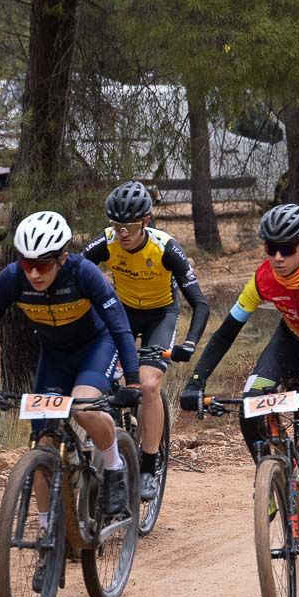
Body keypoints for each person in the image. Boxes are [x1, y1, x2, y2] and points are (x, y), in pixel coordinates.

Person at [179, 204, 299, 597]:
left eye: (286, 248)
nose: (277, 258)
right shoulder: (264, 278)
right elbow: (226, 332)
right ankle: (270, 476)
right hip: (292, 345)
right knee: (252, 401)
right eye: (270, 248)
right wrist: (196, 382)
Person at [0, 211, 142, 516]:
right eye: (27, 264)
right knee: (41, 443)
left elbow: (119, 327)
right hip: (54, 356)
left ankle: (114, 468)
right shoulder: (11, 278)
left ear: (62, 258)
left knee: (83, 408)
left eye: (43, 264)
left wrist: (133, 381)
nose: (34, 274)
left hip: (96, 347)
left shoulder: (83, 273)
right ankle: (48, 532)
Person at [83, 181, 209, 500]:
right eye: (115, 225)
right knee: (99, 376)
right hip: (122, 312)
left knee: (149, 385)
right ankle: (108, 440)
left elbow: (200, 303)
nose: (122, 233)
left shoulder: (165, 248)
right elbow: (73, 273)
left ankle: (150, 465)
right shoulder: (107, 242)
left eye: (128, 226)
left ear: (146, 221)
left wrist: (190, 343)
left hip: (160, 316)